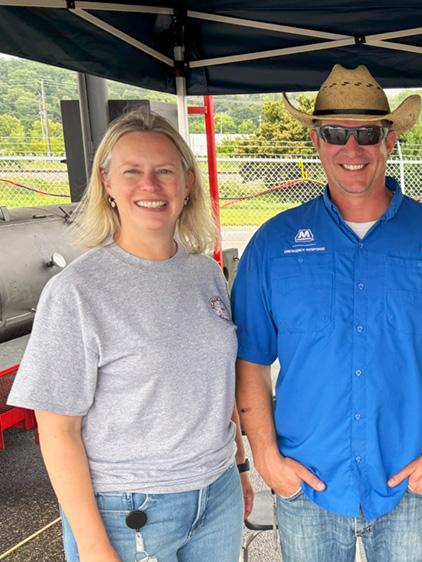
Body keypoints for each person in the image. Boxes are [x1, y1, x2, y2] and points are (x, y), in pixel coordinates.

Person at [231, 64, 422, 562]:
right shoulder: (273, 244)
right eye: (336, 133)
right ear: (317, 140)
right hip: (308, 485)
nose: (352, 148)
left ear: (390, 139)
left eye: (368, 133)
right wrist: (267, 458)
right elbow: (250, 359)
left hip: (407, 486)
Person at [8, 109, 252, 562]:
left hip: (217, 493)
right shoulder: (77, 291)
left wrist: (238, 466)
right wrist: (93, 546)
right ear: (107, 183)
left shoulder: (205, 272)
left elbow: (219, 387)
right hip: (128, 509)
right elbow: (58, 431)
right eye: (132, 172)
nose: (150, 186)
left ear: (187, 183)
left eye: (164, 171)